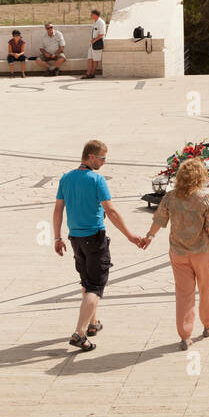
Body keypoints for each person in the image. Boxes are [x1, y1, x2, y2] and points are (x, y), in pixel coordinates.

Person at [53, 138, 145, 351]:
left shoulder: (66, 178)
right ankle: (79, 333)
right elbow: (111, 211)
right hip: (94, 238)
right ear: (91, 157)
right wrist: (130, 236)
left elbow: (58, 209)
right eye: (102, 158)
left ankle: (93, 323)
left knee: (86, 282)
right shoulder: (96, 180)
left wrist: (57, 238)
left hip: (74, 238)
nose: (104, 162)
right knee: (95, 287)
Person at [140, 157, 209, 349]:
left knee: (183, 293)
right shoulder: (205, 199)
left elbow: (159, 220)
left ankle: (185, 335)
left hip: (178, 252)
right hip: (202, 251)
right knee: (206, 288)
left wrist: (149, 237)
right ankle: (208, 325)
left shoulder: (170, 197)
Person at [84, 8, 106, 79]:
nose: (91, 15)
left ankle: (92, 74)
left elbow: (102, 34)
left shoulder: (101, 22)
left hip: (97, 43)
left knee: (95, 59)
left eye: (92, 14)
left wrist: (94, 40)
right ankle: (88, 73)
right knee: (90, 58)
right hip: (92, 44)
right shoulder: (95, 22)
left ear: (95, 15)